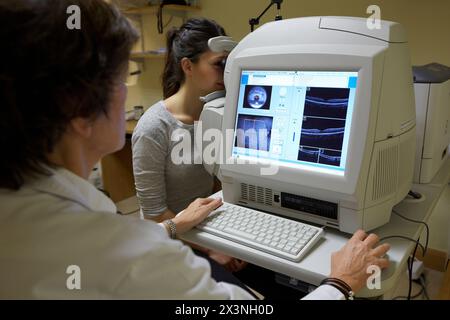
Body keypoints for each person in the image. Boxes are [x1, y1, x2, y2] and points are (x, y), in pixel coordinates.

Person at [0, 0, 390, 299]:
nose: (126, 92)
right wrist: (341, 283)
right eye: (124, 77)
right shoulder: (116, 250)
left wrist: (174, 228)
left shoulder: (26, 211)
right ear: (78, 109)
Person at [132, 17, 246, 272]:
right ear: (188, 66)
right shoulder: (154, 128)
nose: (226, 73)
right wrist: (210, 248)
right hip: (172, 241)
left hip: (209, 227)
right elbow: (153, 216)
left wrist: (234, 238)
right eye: (219, 64)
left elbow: (219, 183)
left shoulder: (218, 115)